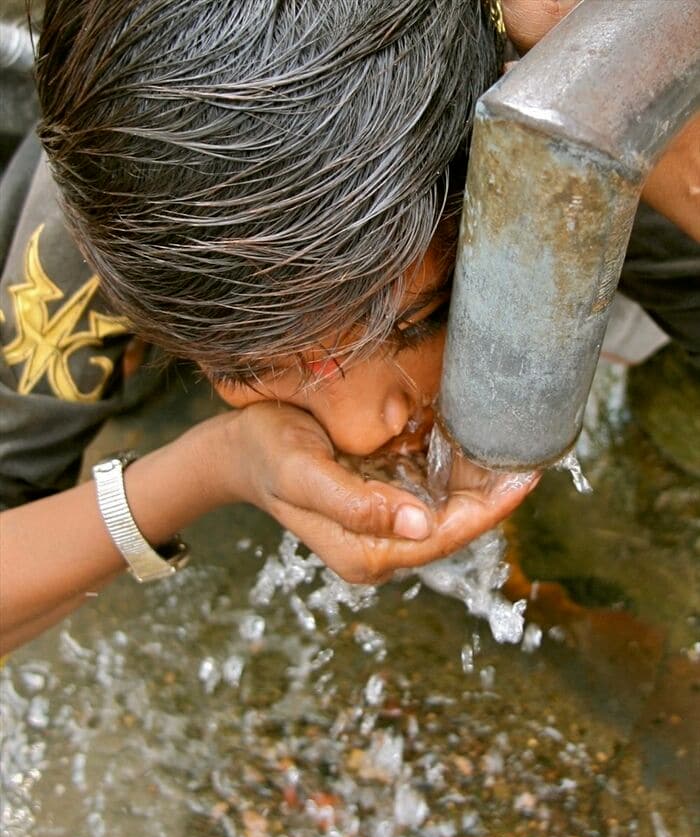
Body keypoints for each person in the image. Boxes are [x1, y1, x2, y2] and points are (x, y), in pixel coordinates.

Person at [0, 0, 697, 655]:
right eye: (247, 367)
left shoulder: (554, 160)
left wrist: (628, 70)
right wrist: (213, 466)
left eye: (416, 321)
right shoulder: (127, 222)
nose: (364, 432)